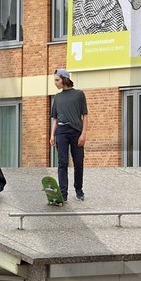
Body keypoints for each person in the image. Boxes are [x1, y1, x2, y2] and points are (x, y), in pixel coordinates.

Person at [49, 68, 88, 203]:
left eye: (57, 80)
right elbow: (55, 118)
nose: (55, 83)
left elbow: (85, 115)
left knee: (78, 162)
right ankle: (63, 193)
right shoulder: (57, 97)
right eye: (55, 80)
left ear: (64, 79)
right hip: (61, 131)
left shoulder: (79, 94)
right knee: (62, 163)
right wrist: (52, 135)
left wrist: (83, 134)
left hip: (76, 132)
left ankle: (79, 190)